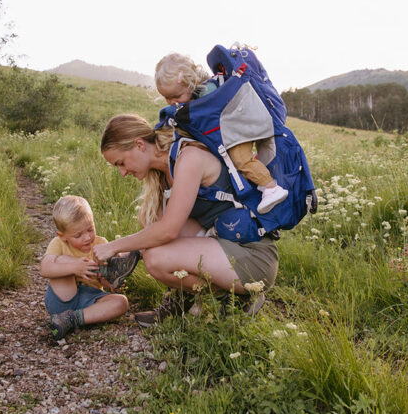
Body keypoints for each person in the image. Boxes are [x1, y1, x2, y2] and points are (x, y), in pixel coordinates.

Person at [94, 113, 277, 326]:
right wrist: (128, 254)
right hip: (223, 243)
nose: (123, 172)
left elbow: (169, 231)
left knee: (156, 258)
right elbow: (159, 230)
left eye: (121, 163)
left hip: (252, 257)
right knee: (150, 218)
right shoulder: (164, 170)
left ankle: (236, 297)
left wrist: (114, 247)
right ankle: (185, 298)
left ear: (139, 144)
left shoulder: (188, 158)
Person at [154, 52, 288, 214]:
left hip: (239, 127)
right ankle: (258, 179)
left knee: (241, 160)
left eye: (176, 96)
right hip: (232, 130)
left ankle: (271, 188)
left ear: (190, 83)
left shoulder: (208, 92)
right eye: (166, 98)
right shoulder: (194, 96)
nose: (171, 102)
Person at [40, 195, 133, 339]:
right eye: (78, 235)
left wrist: (109, 281)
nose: (87, 238)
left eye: (90, 229)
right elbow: (45, 269)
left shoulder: (101, 244)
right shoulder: (58, 243)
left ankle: (72, 319)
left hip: (91, 299)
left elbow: (104, 284)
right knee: (63, 260)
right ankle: (69, 317)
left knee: (121, 302)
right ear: (62, 235)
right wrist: (75, 267)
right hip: (64, 298)